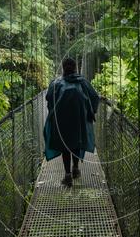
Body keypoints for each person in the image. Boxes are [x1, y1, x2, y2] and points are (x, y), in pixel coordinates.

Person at [43, 58, 100, 187]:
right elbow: (95, 97)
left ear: (63, 68)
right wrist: (91, 113)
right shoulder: (83, 82)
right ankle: (75, 168)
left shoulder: (56, 83)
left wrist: (53, 112)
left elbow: (48, 98)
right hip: (79, 122)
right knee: (76, 143)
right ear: (75, 68)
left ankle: (67, 175)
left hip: (62, 122)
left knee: (65, 147)